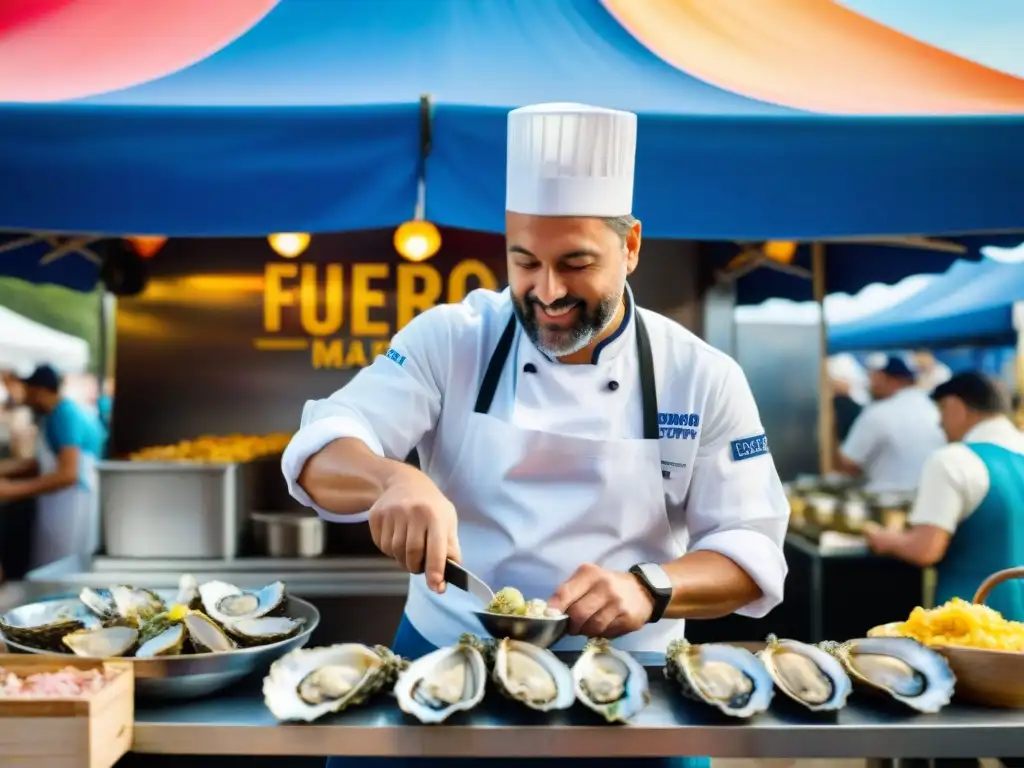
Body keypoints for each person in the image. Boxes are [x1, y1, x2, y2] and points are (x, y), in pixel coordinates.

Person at [282, 103, 789, 768]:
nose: (547, 292)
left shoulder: (701, 376)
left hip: (630, 682)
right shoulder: (451, 339)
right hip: (445, 661)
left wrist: (651, 588)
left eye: (576, 263)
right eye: (525, 262)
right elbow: (323, 445)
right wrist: (392, 478)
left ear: (631, 246)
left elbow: (751, 550)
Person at [864, 372, 1024, 618]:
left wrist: (885, 538)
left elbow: (925, 549)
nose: (940, 424)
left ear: (955, 407)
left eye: (941, 411)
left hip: (973, 622)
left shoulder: (952, 460)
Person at [0, 364, 105, 569]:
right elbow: (43, 463)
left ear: (39, 391)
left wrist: (12, 490)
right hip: (56, 504)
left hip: (72, 505)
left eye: (28, 391)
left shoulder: (65, 414)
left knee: (61, 568)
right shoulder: (52, 416)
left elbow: (68, 474)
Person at [836, 354, 946, 493]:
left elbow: (849, 464)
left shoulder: (878, 412)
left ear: (890, 379)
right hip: (929, 494)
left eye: (875, 378)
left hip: (886, 498)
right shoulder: (933, 408)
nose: (871, 385)